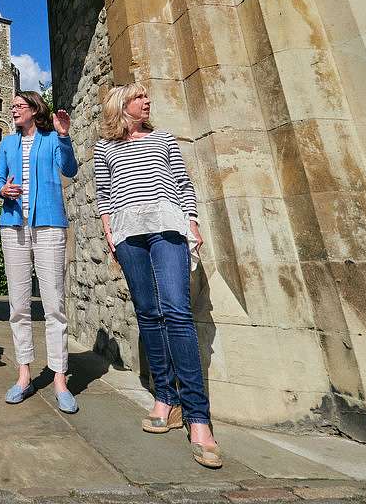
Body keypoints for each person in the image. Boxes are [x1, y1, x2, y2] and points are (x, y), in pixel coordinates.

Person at [93, 82, 222, 469]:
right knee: (148, 314)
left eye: (147, 97)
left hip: (167, 227)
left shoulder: (164, 139)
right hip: (128, 234)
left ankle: (198, 418)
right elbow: (104, 195)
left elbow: (182, 183)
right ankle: (166, 398)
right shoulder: (104, 147)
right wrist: (110, 234)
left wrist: (192, 221)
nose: (147, 101)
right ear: (123, 105)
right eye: (139, 97)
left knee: (177, 312)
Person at [0, 90, 79, 414]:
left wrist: (64, 136)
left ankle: (60, 379)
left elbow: (70, 169)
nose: (13, 109)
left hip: (49, 226)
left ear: (34, 109)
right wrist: (2, 189)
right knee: (18, 306)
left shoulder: (52, 139)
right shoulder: (7, 143)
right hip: (13, 226)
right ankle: (24, 374)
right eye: (12, 106)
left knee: (54, 305)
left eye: (19, 105)